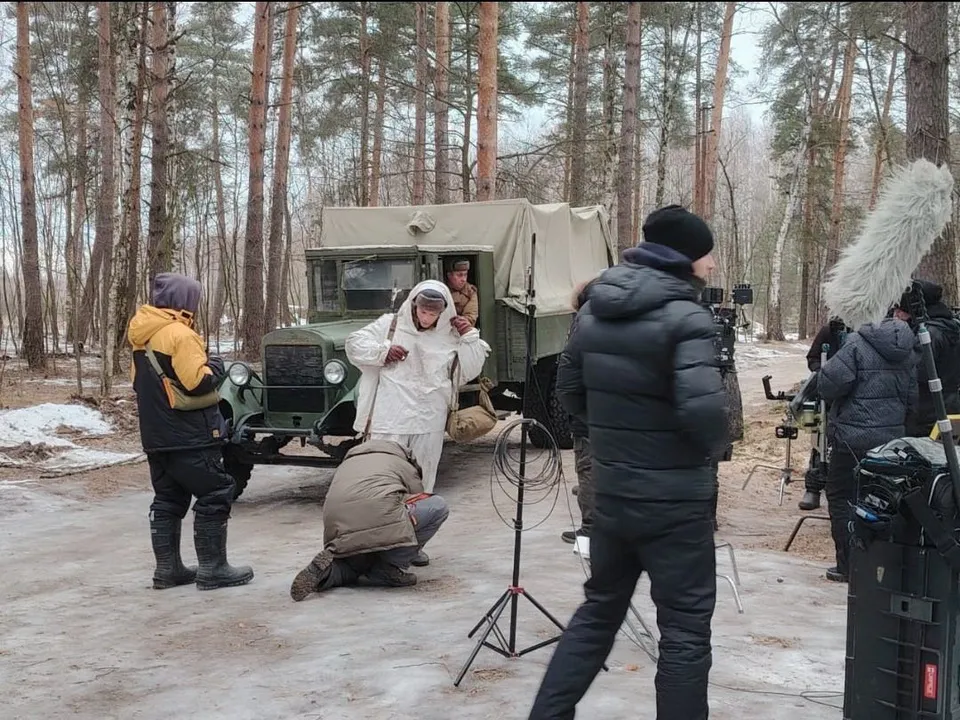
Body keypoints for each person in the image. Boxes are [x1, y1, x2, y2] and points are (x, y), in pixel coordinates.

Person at [528, 204, 728, 720]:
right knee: (684, 630)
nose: (710, 267)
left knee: (598, 613)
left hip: (613, 495)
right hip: (676, 504)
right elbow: (704, 411)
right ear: (684, 258)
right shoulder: (688, 316)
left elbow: (568, 393)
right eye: (706, 257)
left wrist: (615, 440)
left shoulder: (593, 309)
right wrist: (710, 450)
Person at [345, 280, 490, 564]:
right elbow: (354, 345)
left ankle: (411, 544)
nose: (426, 317)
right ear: (413, 305)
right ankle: (373, 544)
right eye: (423, 310)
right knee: (383, 482)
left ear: (442, 311)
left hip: (428, 420)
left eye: (433, 312)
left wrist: (469, 337)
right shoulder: (390, 325)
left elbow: (470, 369)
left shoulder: (451, 334)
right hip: (390, 418)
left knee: (422, 484)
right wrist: (383, 352)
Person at [127, 272, 254, 591]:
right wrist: (217, 368)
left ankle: (167, 571)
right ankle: (214, 569)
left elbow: (137, 384)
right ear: (185, 302)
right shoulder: (180, 335)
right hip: (191, 435)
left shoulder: (141, 336)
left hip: (156, 437)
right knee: (216, 491)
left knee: (169, 497)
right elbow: (197, 382)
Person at [817, 316, 918, 582]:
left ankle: (849, 566)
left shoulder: (856, 344)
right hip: (890, 443)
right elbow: (912, 400)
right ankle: (880, 567)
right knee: (882, 500)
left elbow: (828, 385)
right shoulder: (909, 349)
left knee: (841, 496)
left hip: (852, 439)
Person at [290, 439, 449, 600]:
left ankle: (328, 571)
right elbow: (417, 497)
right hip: (379, 518)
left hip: (339, 531)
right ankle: (390, 566)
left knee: (353, 565)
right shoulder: (402, 463)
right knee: (437, 507)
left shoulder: (347, 465)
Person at [892, 279, 960, 437]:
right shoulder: (951, 326)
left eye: (900, 310)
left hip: (926, 411)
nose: (896, 315)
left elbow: (917, 373)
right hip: (950, 404)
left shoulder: (928, 334)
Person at [560, 278, 597, 546]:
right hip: (629, 411)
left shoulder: (585, 318)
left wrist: (576, 411)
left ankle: (591, 528)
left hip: (591, 413)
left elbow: (568, 377)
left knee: (589, 470)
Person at [798, 316, 848, 511]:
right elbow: (813, 357)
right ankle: (813, 487)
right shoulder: (831, 330)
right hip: (829, 395)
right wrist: (822, 373)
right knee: (820, 440)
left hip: (855, 397)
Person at [445, 258, 479, 327]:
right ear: (449, 275)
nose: (463, 279)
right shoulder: (443, 290)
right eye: (459, 275)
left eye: (465, 275)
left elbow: (470, 317)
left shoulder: (470, 292)